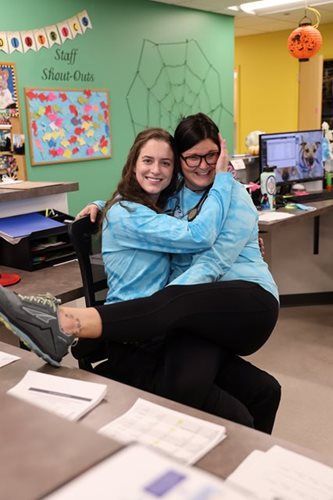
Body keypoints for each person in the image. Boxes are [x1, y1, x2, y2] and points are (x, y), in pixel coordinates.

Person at [0, 115, 281, 433]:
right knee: (264, 392)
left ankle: (65, 324)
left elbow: (208, 262)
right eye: (192, 157)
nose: (203, 165)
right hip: (178, 323)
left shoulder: (232, 195)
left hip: (230, 305)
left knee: (179, 308)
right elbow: (135, 206)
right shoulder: (171, 197)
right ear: (180, 163)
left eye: (211, 156)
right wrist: (103, 204)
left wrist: (162, 304)